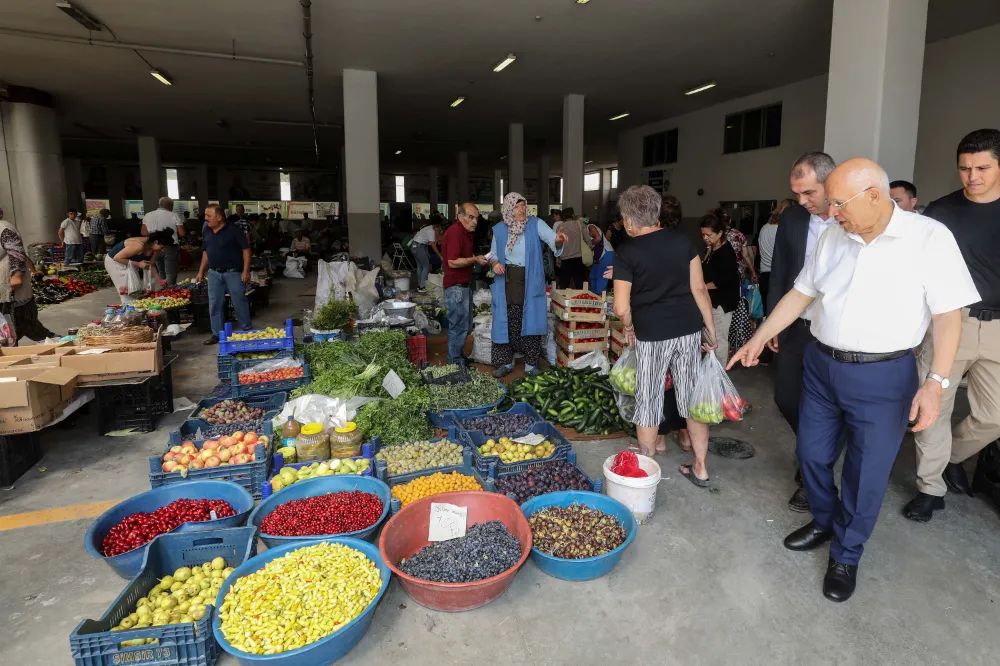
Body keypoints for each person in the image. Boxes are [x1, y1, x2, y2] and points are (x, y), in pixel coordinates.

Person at [728, 158, 979, 602]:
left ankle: (847, 553)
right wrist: (761, 335)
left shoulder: (929, 238)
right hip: (822, 366)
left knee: (867, 474)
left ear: (875, 197)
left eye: (839, 203)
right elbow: (801, 293)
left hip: (884, 375)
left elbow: (948, 317)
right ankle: (825, 521)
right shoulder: (832, 236)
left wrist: (936, 383)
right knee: (811, 453)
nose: (831, 211)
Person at [907, 128, 1000, 521]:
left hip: (998, 329)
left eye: (982, 167)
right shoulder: (940, 213)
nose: (972, 176)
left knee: (994, 415)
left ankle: (951, 457)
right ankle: (930, 488)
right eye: (964, 168)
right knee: (934, 410)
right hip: (950, 324)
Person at [611, 186, 717, 479]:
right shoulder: (683, 241)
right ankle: (701, 467)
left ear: (631, 219)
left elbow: (620, 307)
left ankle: (644, 468)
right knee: (691, 398)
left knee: (649, 399)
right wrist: (710, 330)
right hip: (687, 330)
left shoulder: (626, 251)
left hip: (651, 333)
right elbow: (698, 289)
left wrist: (629, 327)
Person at [769, 151, 838, 513]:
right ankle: (814, 451)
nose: (801, 201)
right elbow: (780, 271)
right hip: (796, 325)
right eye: (796, 193)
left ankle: (812, 472)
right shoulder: (794, 218)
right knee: (786, 398)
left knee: (824, 407)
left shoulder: (849, 220)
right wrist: (772, 325)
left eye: (809, 193)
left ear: (831, 183)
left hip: (836, 332)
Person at [490, 192, 568, 377]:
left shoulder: (535, 224)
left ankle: (531, 364)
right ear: (509, 208)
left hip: (530, 279)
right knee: (506, 321)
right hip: (506, 280)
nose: (522, 210)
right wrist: (495, 263)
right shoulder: (500, 229)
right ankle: (506, 363)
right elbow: (492, 254)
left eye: (524, 205)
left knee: (531, 319)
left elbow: (552, 238)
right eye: (517, 206)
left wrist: (558, 239)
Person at [196, 204, 252, 345]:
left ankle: (246, 330)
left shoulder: (234, 230)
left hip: (233, 273)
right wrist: (201, 271)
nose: (205, 218)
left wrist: (246, 271)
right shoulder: (207, 230)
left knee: (239, 301)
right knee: (214, 304)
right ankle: (217, 334)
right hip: (214, 273)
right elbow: (206, 252)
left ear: (219, 217)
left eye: (209, 216)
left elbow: (246, 250)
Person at [0, 207, 56, 342]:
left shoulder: (4, 229)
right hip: (5, 290)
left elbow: (17, 254)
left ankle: (58, 342)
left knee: (20, 325)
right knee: (22, 327)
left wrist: (16, 275)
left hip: (11, 288)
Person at [442, 203, 488, 365]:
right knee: (458, 326)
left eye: (476, 217)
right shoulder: (456, 232)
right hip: (456, 287)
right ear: (460, 216)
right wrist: (474, 259)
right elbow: (452, 262)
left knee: (465, 326)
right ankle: (453, 360)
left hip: (464, 286)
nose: (475, 221)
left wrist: (475, 258)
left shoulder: (466, 233)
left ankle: (458, 355)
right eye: (471, 217)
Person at [700, 214, 741, 364]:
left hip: (722, 303)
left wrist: (702, 287)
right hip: (712, 301)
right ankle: (713, 367)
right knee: (712, 337)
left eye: (709, 235)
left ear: (720, 233)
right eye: (703, 234)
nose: (705, 237)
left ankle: (720, 372)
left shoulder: (726, 252)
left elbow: (723, 280)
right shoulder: (712, 249)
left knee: (719, 339)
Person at [105, 230, 171, 303]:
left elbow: (150, 264)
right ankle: (130, 311)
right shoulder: (139, 245)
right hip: (115, 263)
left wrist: (159, 280)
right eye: (161, 247)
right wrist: (138, 264)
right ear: (155, 242)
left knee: (134, 289)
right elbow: (117, 258)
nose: (162, 250)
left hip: (128, 263)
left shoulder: (154, 248)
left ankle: (135, 309)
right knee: (126, 292)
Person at [755, 198, 796, 310]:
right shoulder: (783, 230)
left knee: (767, 314)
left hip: (764, 276)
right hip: (778, 277)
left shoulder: (764, 228)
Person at [142, 196, 186, 286]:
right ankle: (171, 294)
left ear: (160, 205)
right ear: (171, 205)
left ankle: (164, 293)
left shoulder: (148, 215)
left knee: (162, 273)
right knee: (170, 273)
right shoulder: (174, 215)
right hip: (170, 247)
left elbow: (143, 232)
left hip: (155, 247)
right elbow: (182, 233)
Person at [553, 212, 586, 289]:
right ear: (572, 216)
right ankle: (578, 299)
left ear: (563, 217)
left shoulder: (560, 227)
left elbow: (557, 244)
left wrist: (557, 258)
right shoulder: (580, 225)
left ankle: (562, 299)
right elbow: (587, 240)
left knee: (564, 283)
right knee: (578, 283)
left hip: (565, 259)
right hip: (578, 257)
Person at [410, 222, 442, 292]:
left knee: (420, 266)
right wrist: (440, 256)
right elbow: (433, 245)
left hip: (414, 246)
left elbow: (424, 241)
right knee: (426, 266)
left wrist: (426, 252)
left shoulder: (427, 228)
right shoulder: (431, 231)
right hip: (419, 247)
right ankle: (422, 287)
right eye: (439, 229)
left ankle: (419, 285)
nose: (439, 231)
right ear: (436, 227)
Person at [586, 223, 614, 295]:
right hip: (599, 257)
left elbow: (598, 238)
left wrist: (588, 244)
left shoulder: (590, 226)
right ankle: (593, 298)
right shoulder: (584, 232)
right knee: (593, 276)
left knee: (601, 278)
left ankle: (600, 301)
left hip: (606, 254)